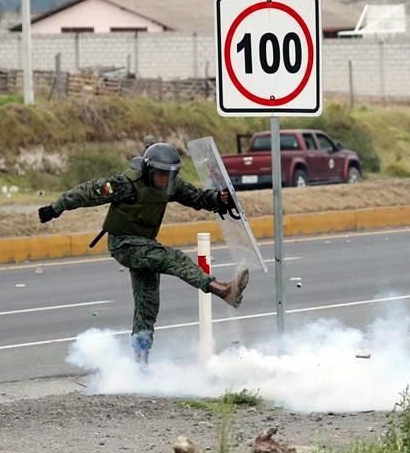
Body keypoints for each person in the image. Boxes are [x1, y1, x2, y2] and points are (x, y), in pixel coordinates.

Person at [37, 142, 250, 367]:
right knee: (173, 258)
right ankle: (221, 289)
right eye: (160, 175)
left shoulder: (171, 184)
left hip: (145, 244)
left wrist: (219, 199)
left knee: (147, 305)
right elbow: (87, 192)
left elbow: (196, 197)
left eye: (169, 175)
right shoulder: (126, 184)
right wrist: (55, 208)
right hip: (124, 244)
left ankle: (140, 363)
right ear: (148, 171)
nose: (164, 180)